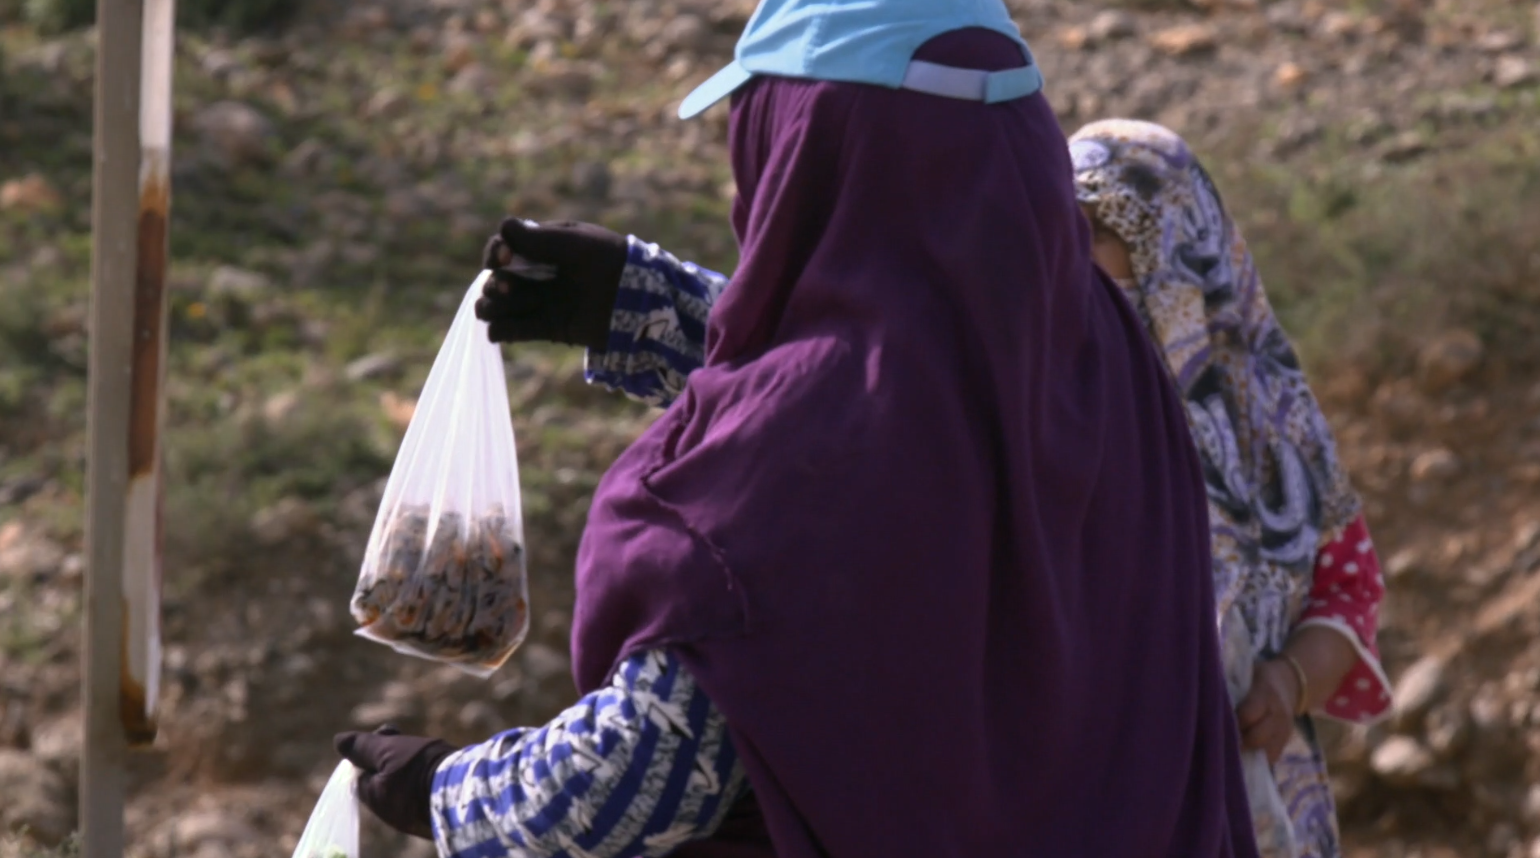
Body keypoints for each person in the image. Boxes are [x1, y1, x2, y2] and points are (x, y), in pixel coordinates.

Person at [334, 3, 1261, 857]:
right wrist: (642, 300)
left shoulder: (794, 473)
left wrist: (448, 791)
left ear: (811, 153)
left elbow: (648, 771)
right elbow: (903, 414)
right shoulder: (1093, 348)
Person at [1068, 119, 1391, 858]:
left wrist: (1284, 686)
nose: (1072, 262)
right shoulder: (1052, 415)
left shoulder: (1274, 423)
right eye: (1057, 231)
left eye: (1097, 232)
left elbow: (1348, 594)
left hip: (1267, 810)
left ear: (1182, 247)